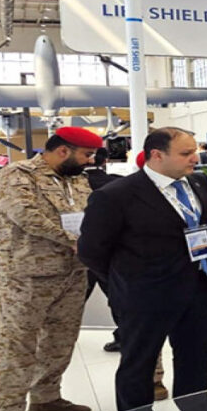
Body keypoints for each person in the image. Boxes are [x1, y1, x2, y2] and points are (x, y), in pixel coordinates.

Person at [79, 127, 207, 411]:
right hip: (144, 294)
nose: (195, 159)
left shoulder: (197, 183)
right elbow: (91, 251)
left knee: (195, 357)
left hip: (197, 285)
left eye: (195, 151)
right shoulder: (116, 195)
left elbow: (199, 227)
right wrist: (127, 281)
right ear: (156, 155)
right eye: (185, 153)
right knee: (139, 364)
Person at [0, 128, 103, 411]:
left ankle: (46, 397)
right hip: (23, 273)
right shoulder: (16, 175)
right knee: (18, 343)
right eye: (86, 154)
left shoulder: (77, 179)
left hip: (71, 270)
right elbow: (26, 216)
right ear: (64, 150)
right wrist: (74, 240)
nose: (90, 161)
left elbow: (89, 214)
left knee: (61, 339)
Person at [83, 147, 122, 353]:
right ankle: (124, 336)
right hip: (113, 251)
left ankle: (56, 339)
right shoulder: (118, 182)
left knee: (71, 300)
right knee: (119, 298)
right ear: (105, 161)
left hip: (76, 249)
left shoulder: (67, 184)